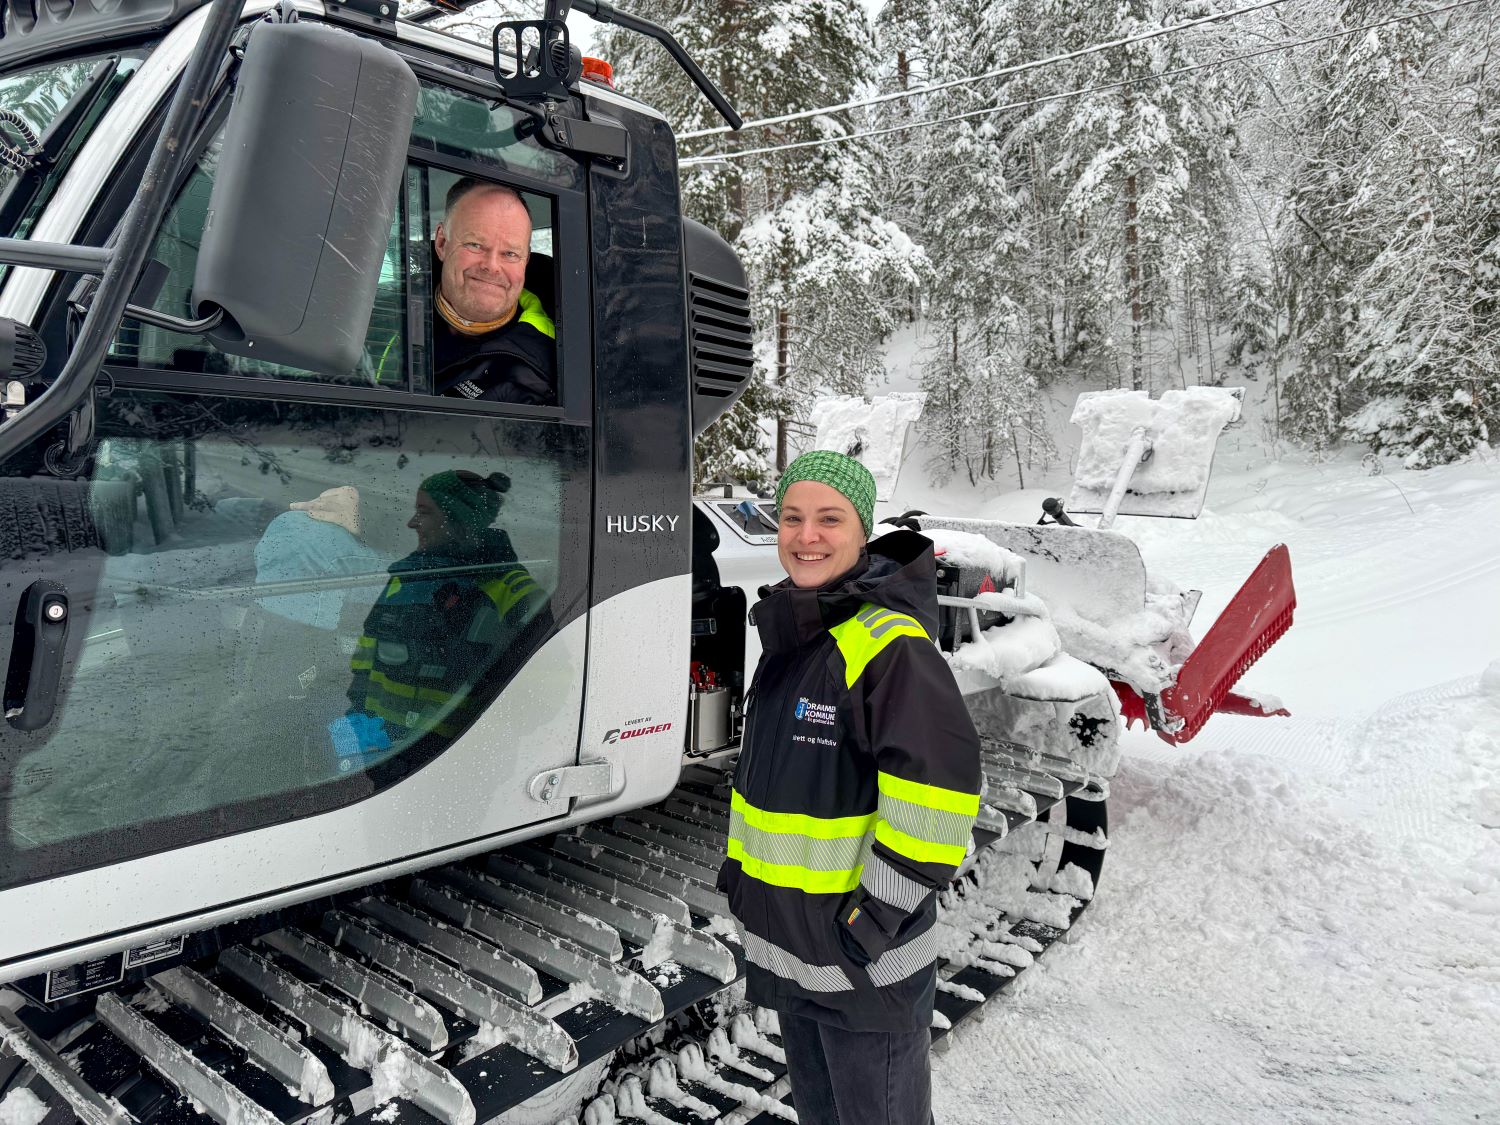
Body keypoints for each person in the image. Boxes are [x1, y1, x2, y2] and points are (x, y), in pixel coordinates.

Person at [718, 450, 983, 1125]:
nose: (806, 536)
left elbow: (937, 804)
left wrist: (869, 925)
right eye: (792, 517)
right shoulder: (796, 636)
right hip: (804, 954)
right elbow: (775, 790)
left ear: (862, 531)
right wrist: (743, 878)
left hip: (866, 967)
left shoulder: (888, 645)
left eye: (829, 519)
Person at [336, 469, 550, 769]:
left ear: (458, 521)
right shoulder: (407, 579)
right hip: (383, 748)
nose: (411, 523)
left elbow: (550, 685)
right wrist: (357, 716)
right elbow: (366, 654)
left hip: (458, 758)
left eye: (424, 512)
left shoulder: (513, 592)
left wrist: (489, 740)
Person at [432, 177, 557, 405]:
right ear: (441, 243)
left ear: (526, 261)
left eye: (510, 254)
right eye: (475, 245)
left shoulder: (544, 373)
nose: (491, 266)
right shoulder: (387, 308)